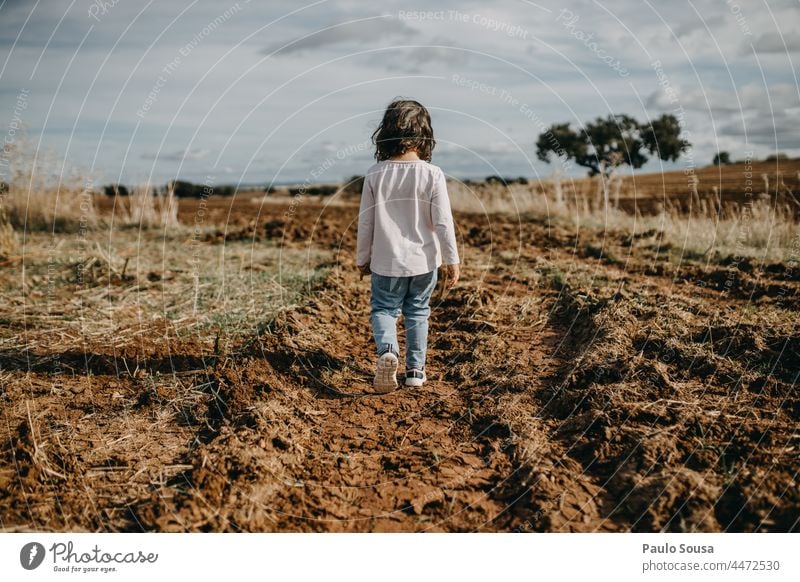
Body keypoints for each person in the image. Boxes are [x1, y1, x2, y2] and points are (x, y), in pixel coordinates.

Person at [356, 98, 460, 392]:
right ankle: (415, 372)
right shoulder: (432, 173)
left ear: (386, 133)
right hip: (424, 262)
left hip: (386, 262)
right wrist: (452, 260)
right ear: (424, 134)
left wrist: (363, 257)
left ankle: (388, 351)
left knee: (384, 310)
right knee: (417, 311)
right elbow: (443, 221)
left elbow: (366, 223)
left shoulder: (375, 174)